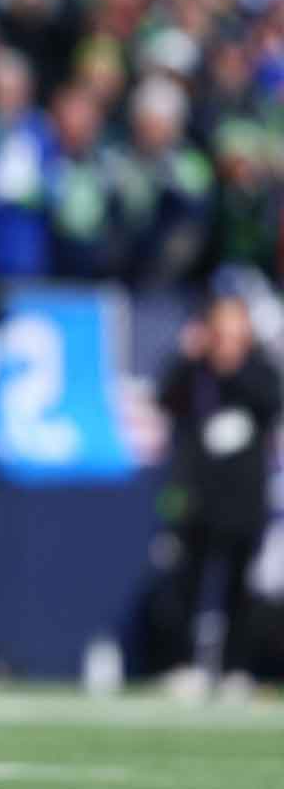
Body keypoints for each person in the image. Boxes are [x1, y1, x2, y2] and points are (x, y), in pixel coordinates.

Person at [155, 293, 281, 698]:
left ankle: (235, 668)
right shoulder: (195, 371)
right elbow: (166, 398)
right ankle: (184, 664)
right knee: (188, 581)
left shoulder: (258, 368)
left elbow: (271, 401)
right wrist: (194, 357)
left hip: (243, 495)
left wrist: (235, 365)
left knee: (240, 586)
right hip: (199, 493)